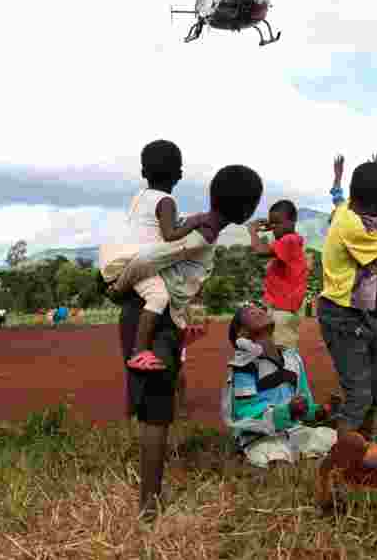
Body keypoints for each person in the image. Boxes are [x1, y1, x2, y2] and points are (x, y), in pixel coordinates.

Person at [106, 157, 263, 521]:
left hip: (160, 318)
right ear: (247, 210)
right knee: (156, 412)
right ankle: (148, 506)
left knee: (157, 407)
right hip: (149, 315)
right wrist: (119, 288)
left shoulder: (200, 229)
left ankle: (150, 497)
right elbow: (148, 259)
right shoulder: (198, 235)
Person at [99, 140, 228, 372]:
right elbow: (169, 236)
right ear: (179, 174)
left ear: (142, 172)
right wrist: (194, 221)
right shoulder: (166, 201)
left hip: (114, 255)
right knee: (159, 298)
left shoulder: (140, 196)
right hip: (133, 259)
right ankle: (139, 352)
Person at [316, 155, 377, 450]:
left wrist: (340, 176)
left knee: (374, 387)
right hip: (344, 316)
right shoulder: (356, 229)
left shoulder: (347, 209)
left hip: (361, 314)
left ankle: (364, 452)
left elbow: (337, 196)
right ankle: (344, 463)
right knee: (358, 396)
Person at [222, 303, 336, 468]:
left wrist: (319, 411)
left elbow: (304, 404)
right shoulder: (244, 366)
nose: (258, 311)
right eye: (250, 312)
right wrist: (286, 412)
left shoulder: (293, 360)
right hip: (261, 439)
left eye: (260, 309)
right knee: (277, 459)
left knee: (336, 440)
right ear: (242, 333)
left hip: (296, 432)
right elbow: (244, 415)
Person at [246, 199, 309, 348]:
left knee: (282, 355)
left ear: (292, 222)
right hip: (281, 311)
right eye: (272, 224)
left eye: (277, 223)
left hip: (282, 312)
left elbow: (259, 250)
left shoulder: (289, 240)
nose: (274, 228)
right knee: (278, 353)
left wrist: (253, 232)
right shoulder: (289, 242)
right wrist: (273, 224)